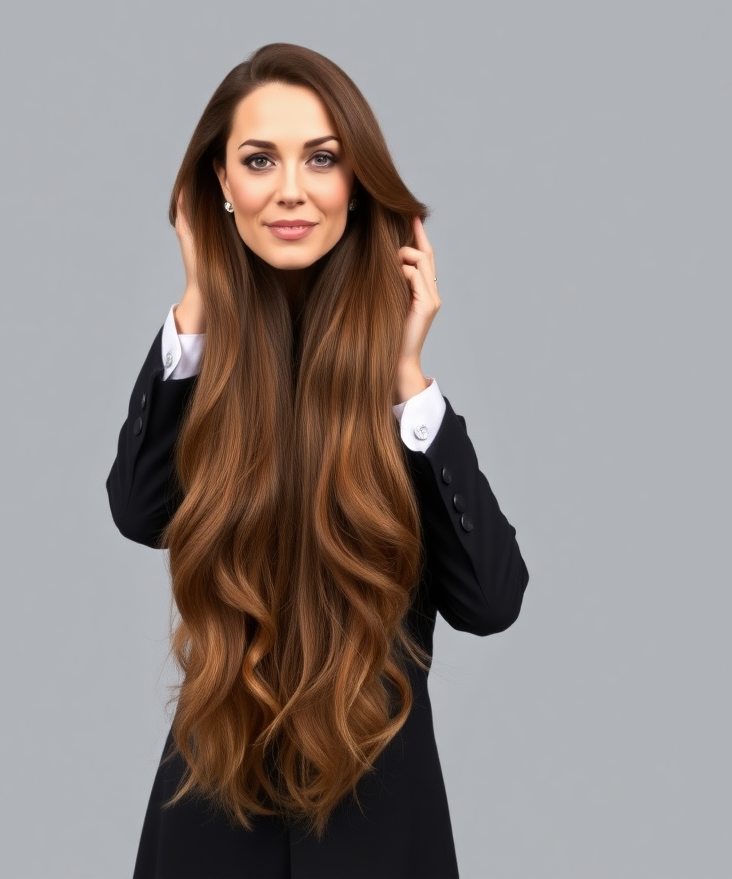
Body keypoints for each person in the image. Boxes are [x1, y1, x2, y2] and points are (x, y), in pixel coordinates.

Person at [105, 43, 528, 879]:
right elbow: (139, 510)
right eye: (259, 160)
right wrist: (194, 306)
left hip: (380, 833)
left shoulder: (401, 407)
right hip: (211, 817)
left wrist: (410, 381)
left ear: (355, 184)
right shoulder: (205, 366)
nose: (291, 189)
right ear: (219, 186)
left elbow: (490, 599)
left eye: (322, 159)